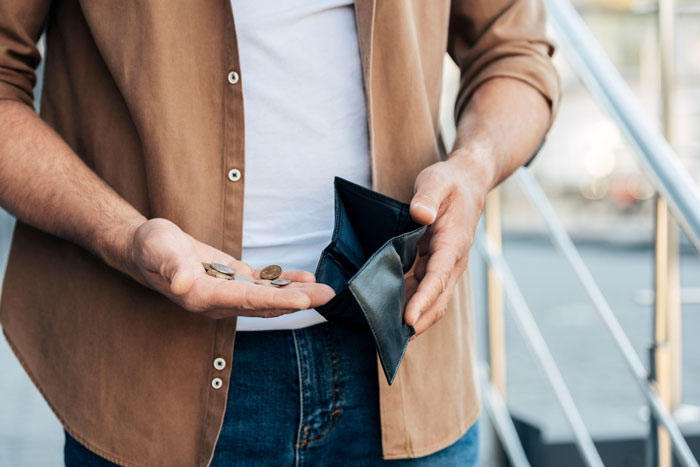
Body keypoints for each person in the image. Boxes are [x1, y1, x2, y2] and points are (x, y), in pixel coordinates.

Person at [0, 0, 559, 466]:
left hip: (405, 370)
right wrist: (124, 237)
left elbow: (513, 53)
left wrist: (474, 165)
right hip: (147, 381)